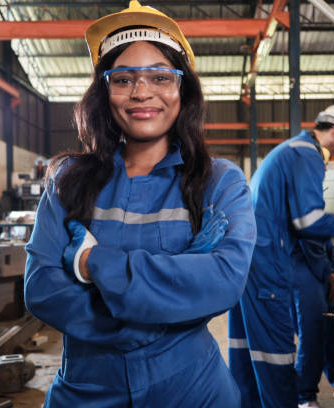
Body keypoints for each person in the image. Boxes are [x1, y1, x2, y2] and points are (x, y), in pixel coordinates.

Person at [24, 2, 256, 406]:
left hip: (191, 391)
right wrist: (150, 323)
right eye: (123, 79)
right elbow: (41, 288)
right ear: (105, 91)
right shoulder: (68, 181)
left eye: (160, 77)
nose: (142, 92)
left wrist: (91, 263)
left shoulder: (220, 182)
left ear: (182, 89)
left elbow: (223, 281)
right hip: (86, 390)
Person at [228, 104, 334, 408]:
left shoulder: (293, 151)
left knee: (247, 351)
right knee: (275, 354)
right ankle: (299, 398)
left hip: (255, 258)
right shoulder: (306, 154)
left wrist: (330, 269)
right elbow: (309, 222)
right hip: (269, 263)